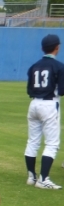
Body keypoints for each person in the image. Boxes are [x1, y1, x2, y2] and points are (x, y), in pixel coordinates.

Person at [24, 34, 64, 189]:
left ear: (42, 48)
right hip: (49, 104)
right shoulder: (59, 66)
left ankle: (31, 177)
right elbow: (62, 91)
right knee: (52, 143)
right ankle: (43, 179)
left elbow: (29, 90)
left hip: (34, 104)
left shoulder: (34, 66)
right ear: (57, 47)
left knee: (32, 141)